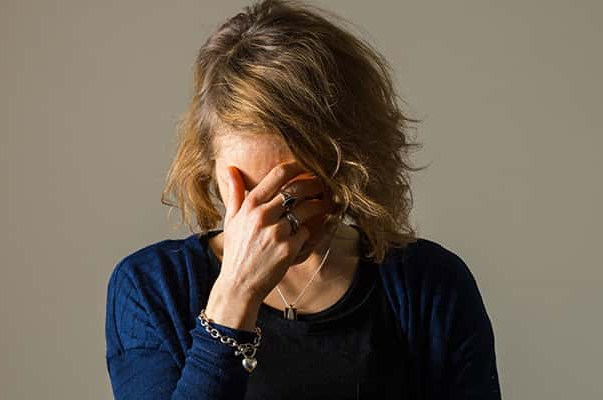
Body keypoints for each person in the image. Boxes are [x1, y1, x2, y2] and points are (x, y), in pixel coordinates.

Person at [104, 0, 502, 398]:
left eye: (293, 190)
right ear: (208, 164)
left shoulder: (430, 286)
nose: (269, 218)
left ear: (347, 166)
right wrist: (236, 296)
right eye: (247, 187)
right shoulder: (151, 288)